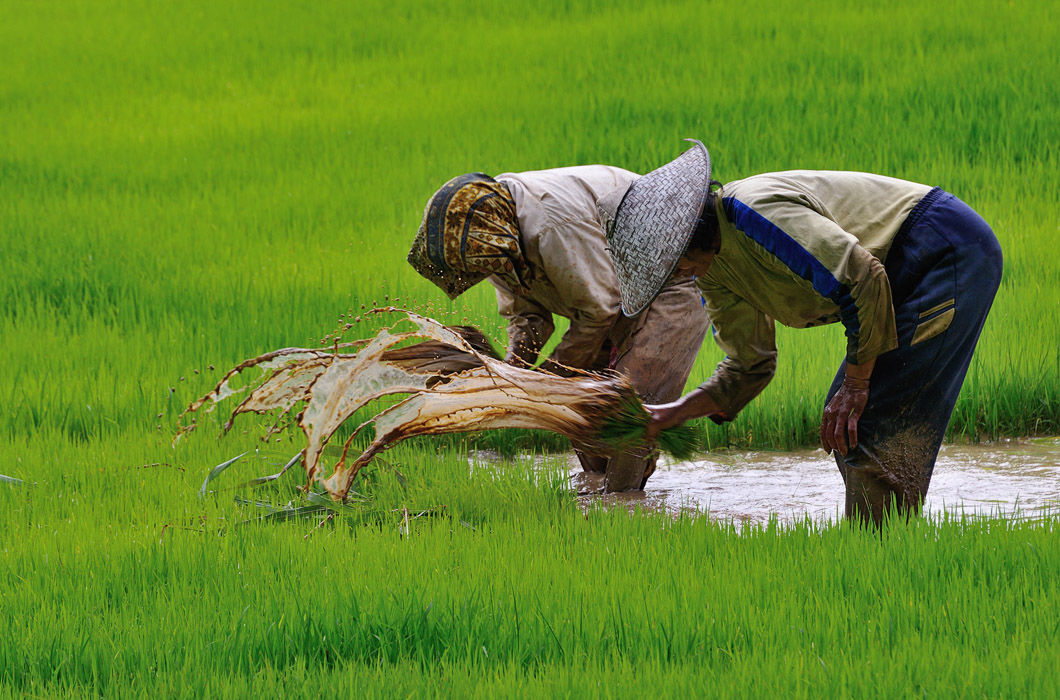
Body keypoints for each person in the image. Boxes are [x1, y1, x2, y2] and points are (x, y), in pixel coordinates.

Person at [601, 140, 1003, 526]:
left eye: (672, 264)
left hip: (941, 250)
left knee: (869, 421)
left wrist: (857, 385)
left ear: (689, 235)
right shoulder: (714, 271)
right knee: (853, 427)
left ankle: (879, 556)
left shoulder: (755, 212)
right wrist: (671, 414)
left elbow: (860, 277)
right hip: (897, 278)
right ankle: (880, 548)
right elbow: (749, 364)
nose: (675, 276)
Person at [407, 166, 709, 492]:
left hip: (674, 274)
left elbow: (599, 311)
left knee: (630, 407)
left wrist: (540, 384)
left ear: (492, 233)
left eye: (479, 266)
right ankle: (600, 494)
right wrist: (511, 374)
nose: (481, 273)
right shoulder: (499, 242)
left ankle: (621, 509)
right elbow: (529, 319)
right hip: (617, 294)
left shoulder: (549, 225)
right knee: (580, 410)